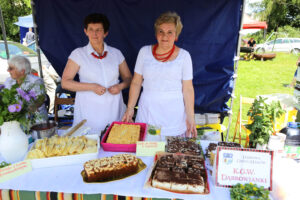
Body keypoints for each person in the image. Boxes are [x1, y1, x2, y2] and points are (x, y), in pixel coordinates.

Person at [122, 11, 197, 138]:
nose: (164, 36)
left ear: (176, 35)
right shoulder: (144, 52)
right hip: (148, 112)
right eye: (161, 31)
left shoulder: (184, 56)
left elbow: (188, 89)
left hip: (174, 114)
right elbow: (136, 82)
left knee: (172, 154)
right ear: (156, 34)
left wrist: (191, 117)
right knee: (146, 151)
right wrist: (130, 108)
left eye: (170, 32)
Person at [61, 13, 132, 133]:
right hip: (89, 110)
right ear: (85, 31)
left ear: (105, 33)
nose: (94, 34)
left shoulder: (116, 53)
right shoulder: (78, 54)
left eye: (98, 30)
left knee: (115, 140)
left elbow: (129, 78)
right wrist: (92, 87)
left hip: (114, 108)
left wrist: (120, 86)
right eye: (91, 30)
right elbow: (65, 83)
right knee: (89, 142)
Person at [4, 55, 48, 125]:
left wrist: (33, 106)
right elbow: (4, 98)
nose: (8, 70)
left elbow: (41, 98)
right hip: (16, 120)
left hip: (36, 120)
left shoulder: (35, 81)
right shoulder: (8, 81)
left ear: (22, 71)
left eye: (11, 68)